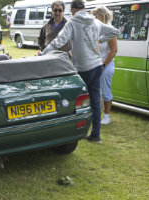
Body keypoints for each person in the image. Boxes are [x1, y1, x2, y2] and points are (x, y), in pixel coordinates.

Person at [42, 0, 120, 143]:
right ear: (84, 9)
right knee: (95, 102)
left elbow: (58, 41)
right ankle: (95, 135)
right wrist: (99, 39)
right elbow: (115, 31)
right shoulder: (95, 22)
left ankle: (70, 133)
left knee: (73, 100)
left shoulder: (72, 23)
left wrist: (44, 54)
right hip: (97, 66)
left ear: (72, 10)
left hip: (83, 68)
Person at [91, 6, 117, 125]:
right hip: (96, 64)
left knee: (106, 91)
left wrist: (103, 65)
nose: (94, 18)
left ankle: (107, 116)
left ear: (102, 15)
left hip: (106, 65)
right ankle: (95, 114)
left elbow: (113, 50)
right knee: (94, 91)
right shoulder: (96, 29)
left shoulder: (109, 30)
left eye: (95, 15)